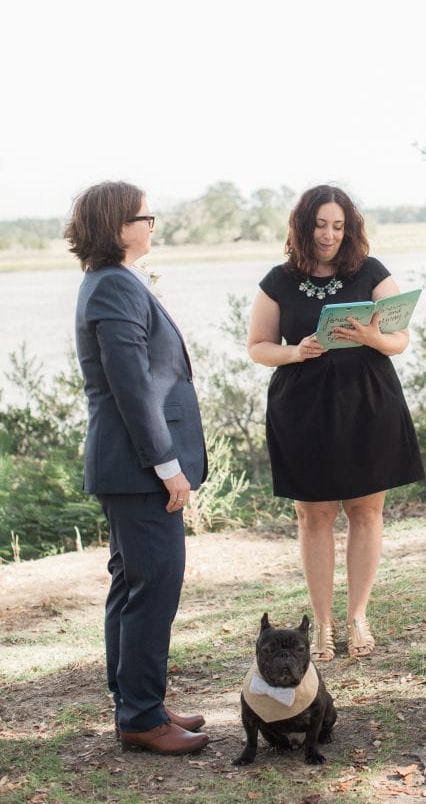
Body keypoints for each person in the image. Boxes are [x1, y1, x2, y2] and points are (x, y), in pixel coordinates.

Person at [247, 185, 424, 661]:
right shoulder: (278, 281)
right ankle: (322, 623)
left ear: (350, 229)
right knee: (315, 516)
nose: (329, 234)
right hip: (303, 409)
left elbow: (402, 337)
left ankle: (358, 616)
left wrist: (373, 335)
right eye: (321, 224)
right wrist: (295, 351)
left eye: (338, 225)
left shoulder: (370, 271)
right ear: (303, 226)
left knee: (366, 512)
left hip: (368, 403)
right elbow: (258, 346)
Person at [65, 181, 209, 756]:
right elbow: (133, 389)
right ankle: (141, 718)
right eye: (144, 216)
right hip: (137, 469)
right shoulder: (112, 289)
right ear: (117, 225)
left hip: (128, 468)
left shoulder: (114, 283)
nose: (153, 223)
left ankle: (138, 702)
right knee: (154, 586)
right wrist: (167, 466)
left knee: (133, 584)